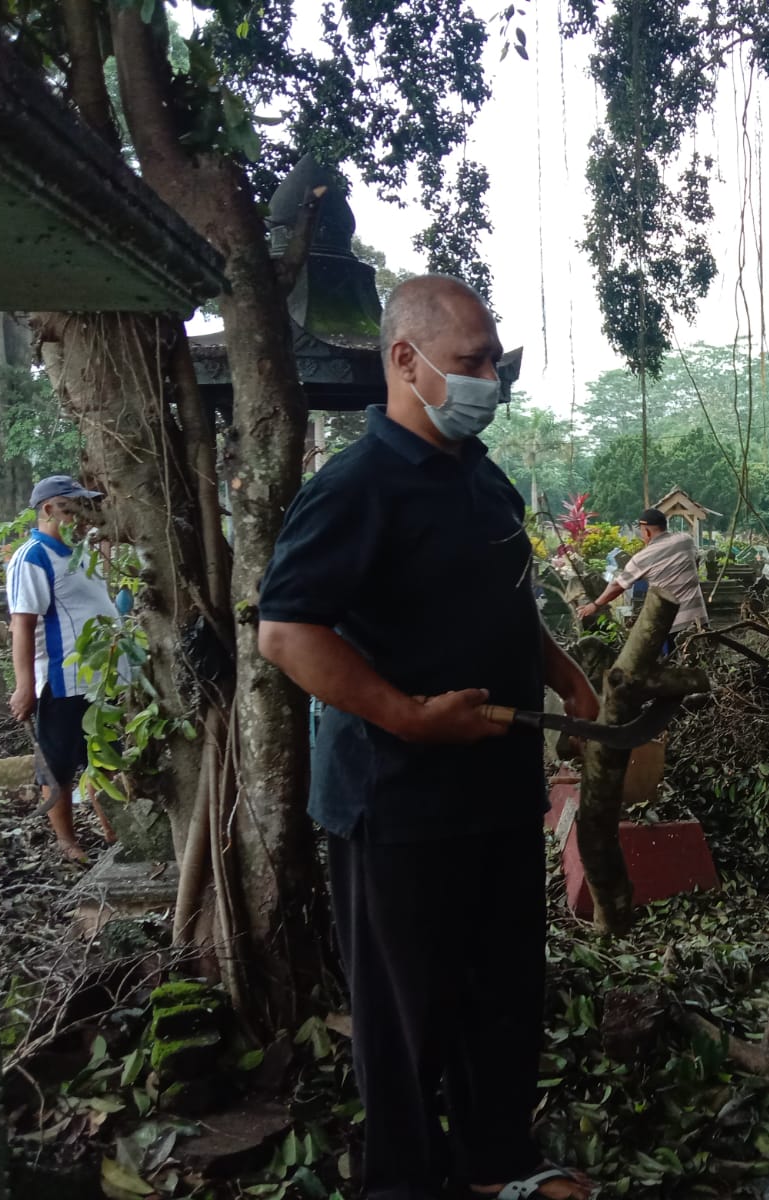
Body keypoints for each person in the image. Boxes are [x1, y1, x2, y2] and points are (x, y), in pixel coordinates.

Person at [257, 276, 598, 1200]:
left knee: (504, 999)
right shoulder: (358, 486)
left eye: (494, 360)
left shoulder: (478, 475)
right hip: (397, 800)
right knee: (408, 1020)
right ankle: (403, 1184)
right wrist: (407, 716)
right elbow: (288, 633)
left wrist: (566, 674)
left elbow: (506, 601)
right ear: (404, 361)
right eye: (470, 363)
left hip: (495, 792)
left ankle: (496, 1165)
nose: (492, 378)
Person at [6, 475, 119, 861]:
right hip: (62, 679)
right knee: (57, 764)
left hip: (101, 678)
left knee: (105, 753)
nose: (83, 518)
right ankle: (67, 841)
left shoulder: (79, 551)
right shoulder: (32, 557)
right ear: (49, 510)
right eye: (74, 509)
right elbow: (21, 625)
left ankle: (112, 830)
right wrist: (24, 686)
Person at [576, 508, 708, 644]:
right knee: (704, 661)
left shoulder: (642, 558)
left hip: (672, 626)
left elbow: (618, 585)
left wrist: (595, 605)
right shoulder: (685, 540)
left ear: (647, 531)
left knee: (675, 662)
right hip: (700, 620)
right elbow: (695, 559)